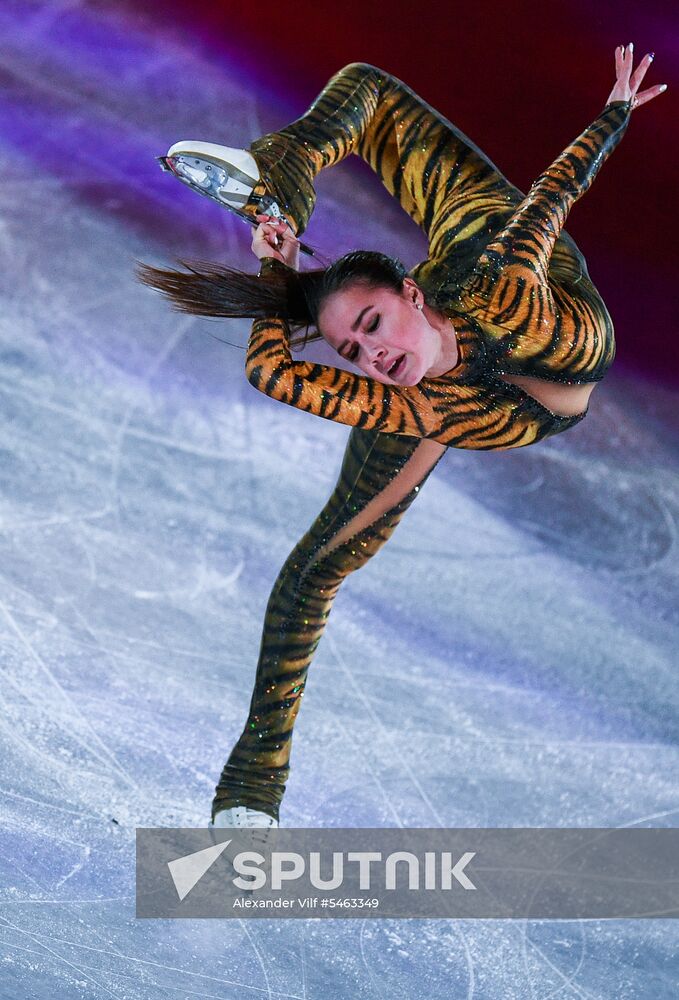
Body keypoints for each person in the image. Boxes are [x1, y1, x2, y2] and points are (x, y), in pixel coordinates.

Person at [138, 48, 665, 829]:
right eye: (352, 352)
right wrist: (278, 278)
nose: (372, 358)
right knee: (311, 574)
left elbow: (549, 201)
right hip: (450, 396)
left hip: (486, 245)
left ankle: (282, 181)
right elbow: (274, 376)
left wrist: (614, 111)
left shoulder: (506, 284)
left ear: (409, 294)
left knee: (369, 90)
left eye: (373, 326)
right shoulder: (405, 397)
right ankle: (251, 790)